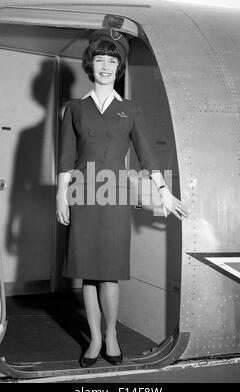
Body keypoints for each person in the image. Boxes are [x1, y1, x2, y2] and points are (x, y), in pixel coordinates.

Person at [56, 28, 189, 368]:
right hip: (83, 193)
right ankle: (94, 338)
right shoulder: (74, 108)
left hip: (114, 194)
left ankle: (111, 334)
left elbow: (147, 156)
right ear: (91, 65)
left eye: (111, 60)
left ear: (118, 68)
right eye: (99, 59)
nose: (104, 66)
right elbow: (66, 158)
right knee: (86, 271)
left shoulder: (129, 109)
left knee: (109, 271)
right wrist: (61, 195)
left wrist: (164, 192)